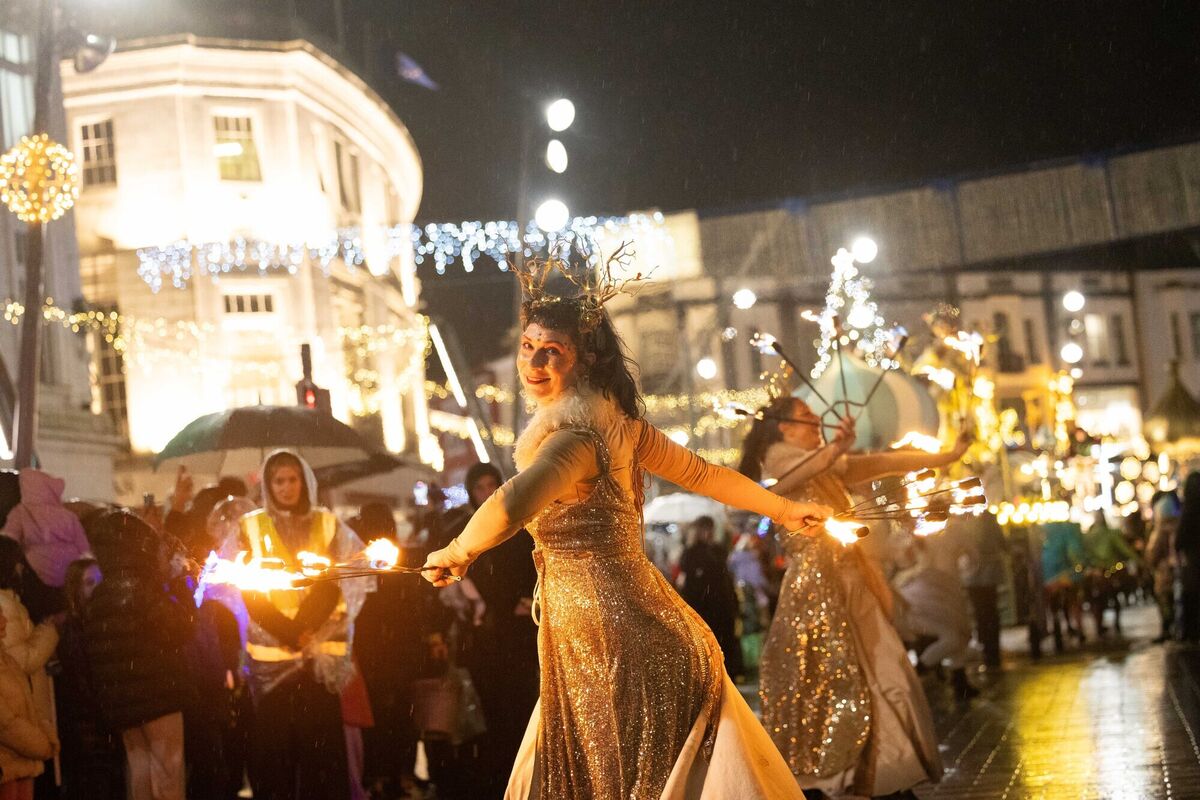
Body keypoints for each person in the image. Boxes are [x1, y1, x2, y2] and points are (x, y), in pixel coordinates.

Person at [423, 250, 830, 799]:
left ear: (585, 360)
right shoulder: (622, 428)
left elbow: (514, 500)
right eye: (528, 347)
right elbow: (705, 474)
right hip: (625, 622)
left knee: (619, 774)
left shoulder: (576, 437)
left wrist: (456, 551)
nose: (535, 363)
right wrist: (782, 508)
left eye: (553, 352)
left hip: (610, 637)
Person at [739, 394, 968, 797]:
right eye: (805, 417)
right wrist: (833, 450)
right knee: (831, 686)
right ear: (784, 429)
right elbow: (789, 481)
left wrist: (947, 456)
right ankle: (835, 779)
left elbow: (880, 462)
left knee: (884, 671)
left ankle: (887, 772)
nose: (816, 421)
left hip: (851, 584)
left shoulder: (827, 462)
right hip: (816, 593)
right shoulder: (779, 457)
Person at [238, 450, 371, 800]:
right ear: (268, 484)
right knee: (275, 759)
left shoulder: (326, 523)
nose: (286, 487)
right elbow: (248, 589)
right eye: (278, 480)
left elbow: (333, 580)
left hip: (317, 660)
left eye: (292, 479)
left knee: (321, 757)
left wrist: (308, 627)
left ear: (304, 481)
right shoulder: (250, 526)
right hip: (272, 659)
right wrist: (289, 631)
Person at [83, 510, 194, 800]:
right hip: (158, 696)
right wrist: (182, 586)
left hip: (120, 700)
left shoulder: (100, 594)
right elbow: (181, 628)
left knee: (139, 769)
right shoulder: (143, 589)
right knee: (168, 771)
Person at [446, 462, 539, 797]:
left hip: (517, 636)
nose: (486, 494)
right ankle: (496, 780)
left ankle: (521, 779)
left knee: (520, 711)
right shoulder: (465, 531)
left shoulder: (520, 529)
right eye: (479, 487)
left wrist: (526, 601)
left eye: (491, 486)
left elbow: (533, 571)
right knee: (490, 714)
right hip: (484, 638)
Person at [0, 601, 58, 800]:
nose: (4, 621)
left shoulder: (8, 662)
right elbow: (6, 724)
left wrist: (45, 734)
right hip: (6, 768)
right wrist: (40, 744)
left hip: (23, 764)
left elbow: (30, 707)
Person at [0, 468, 92, 590]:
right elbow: (83, 547)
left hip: (36, 577)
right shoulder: (68, 516)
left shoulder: (21, 513)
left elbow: (8, 538)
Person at [677, 515, 743, 680]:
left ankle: (728, 675)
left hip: (721, 604)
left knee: (724, 642)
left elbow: (724, 575)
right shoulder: (691, 552)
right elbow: (689, 581)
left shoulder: (717, 550)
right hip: (703, 605)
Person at [960, 511, 1006, 668]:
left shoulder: (964, 521)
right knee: (990, 612)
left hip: (972, 576)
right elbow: (1002, 543)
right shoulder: (989, 520)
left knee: (981, 613)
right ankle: (992, 650)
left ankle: (986, 648)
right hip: (987, 574)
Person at [1145, 490, 1181, 642]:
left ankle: (1167, 629)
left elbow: (1153, 551)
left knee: (1165, 599)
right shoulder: (1180, 524)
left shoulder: (1160, 528)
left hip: (1164, 571)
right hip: (1180, 569)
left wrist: (1150, 562)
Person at [1175, 472, 1200, 643]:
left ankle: (1192, 632)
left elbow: (1180, 540)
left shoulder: (1188, 509)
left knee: (1192, 596)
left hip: (1193, 562)